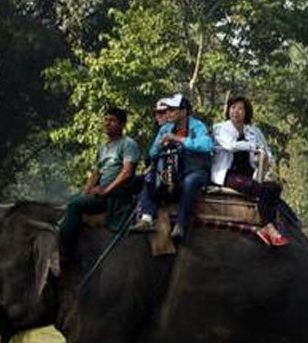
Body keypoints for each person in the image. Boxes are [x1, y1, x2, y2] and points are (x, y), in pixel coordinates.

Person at [58, 107, 142, 248]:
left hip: (115, 195)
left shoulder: (128, 144)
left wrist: (105, 191)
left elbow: (127, 172)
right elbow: (96, 173)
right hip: (101, 193)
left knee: (74, 206)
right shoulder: (103, 147)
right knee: (72, 201)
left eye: (112, 120)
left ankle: (64, 250)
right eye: (106, 120)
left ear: (122, 125)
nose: (107, 123)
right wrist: (85, 191)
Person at [134, 93, 212, 243]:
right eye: (167, 110)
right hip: (174, 168)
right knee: (150, 177)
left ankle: (181, 224)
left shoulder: (198, 126)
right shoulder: (166, 128)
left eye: (172, 110)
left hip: (196, 169)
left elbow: (207, 145)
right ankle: (146, 218)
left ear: (183, 112)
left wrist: (178, 139)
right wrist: (160, 144)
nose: (167, 113)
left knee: (190, 182)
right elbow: (152, 152)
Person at [211, 95, 288, 247]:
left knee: (274, 187)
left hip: (251, 173)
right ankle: (268, 227)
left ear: (246, 112)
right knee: (257, 188)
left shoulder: (254, 131)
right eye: (233, 108)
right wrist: (253, 146)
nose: (236, 111)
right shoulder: (220, 128)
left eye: (240, 108)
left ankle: (268, 223)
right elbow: (230, 145)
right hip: (228, 174)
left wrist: (266, 159)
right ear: (228, 110)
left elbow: (268, 151)